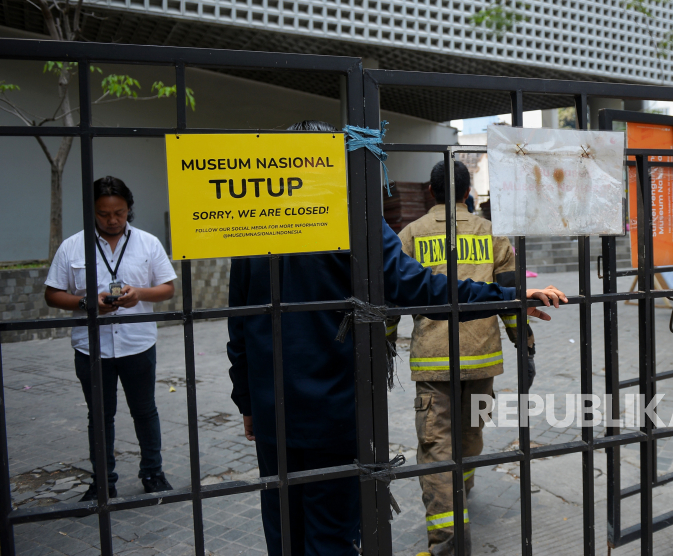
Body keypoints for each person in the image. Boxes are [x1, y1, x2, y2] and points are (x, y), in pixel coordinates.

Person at [226, 120, 567, 555]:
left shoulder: (247, 227)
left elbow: (238, 325)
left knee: (284, 529)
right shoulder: (347, 217)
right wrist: (509, 298)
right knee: (331, 532)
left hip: (273, 408)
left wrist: (247, 402)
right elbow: (417, 287)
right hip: (337, 410)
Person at [386, 160, 541, 556]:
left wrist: (384, 347)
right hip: (482, 357)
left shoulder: (410, 234)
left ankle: (448, 543)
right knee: (470, 433)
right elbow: (510, 297)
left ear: (431, 192)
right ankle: (463, 489)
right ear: (467, 192)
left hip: (433, 362)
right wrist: (524, 345)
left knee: (437, 447)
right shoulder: (492, 234)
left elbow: (389, 300)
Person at [44, 176, 177, 501]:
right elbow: (52, 295)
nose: (112, 219)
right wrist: (88, 303)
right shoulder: (73, 246)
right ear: (92, 211)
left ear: (128, 208)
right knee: (100, 416)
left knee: (145, 411)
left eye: (119, 212)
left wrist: (139, 294)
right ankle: (104, 481)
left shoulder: (148, 243)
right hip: (92, 348)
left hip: (138, 344)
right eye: (104, 214)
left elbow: (169, 288)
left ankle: (153, 473)